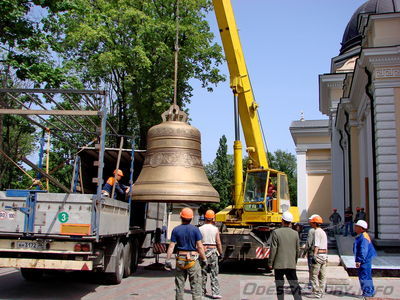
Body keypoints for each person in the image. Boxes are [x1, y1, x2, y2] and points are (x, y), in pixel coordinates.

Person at [165, 208, 207, 300]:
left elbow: (171, 247)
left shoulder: (176, 230)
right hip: (192, 260)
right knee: (196, 288)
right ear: (191, 218)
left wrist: (167, 260)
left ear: (181, 217)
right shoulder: (195, 230)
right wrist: (204, 259)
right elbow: (200, 246)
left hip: (180, 260)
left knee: (179, 288)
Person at [268, 211, 302, 300]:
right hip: (291, 264)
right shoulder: (295, 234)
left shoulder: (276, 232)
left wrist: (270, 262)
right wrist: (294, 261)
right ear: (290, 222)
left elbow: (273, 249)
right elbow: (298, 250)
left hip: (279, 264)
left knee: (279, 286)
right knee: (294, 285)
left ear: (282, 221)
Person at [199, 210, 223, 299]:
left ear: (205, 217)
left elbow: (198, 242)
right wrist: (221, 253)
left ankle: (202, 291)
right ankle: (215, 292)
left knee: (203, 272)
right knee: (214, 273)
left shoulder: (200, 229)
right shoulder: (215, 229)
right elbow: (218, 242)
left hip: (203, 252)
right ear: (213, 218)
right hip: (213, 251)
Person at [353, 220, 376, 297]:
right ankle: (370, 291)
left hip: (364, 260)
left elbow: (363, 250)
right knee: (367, 276)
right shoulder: (363, 235)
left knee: (364, 276)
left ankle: (367, 293)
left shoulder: (363, 237)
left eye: (356, 227)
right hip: (366, 259)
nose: (355, 228)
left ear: (361, 228)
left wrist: (359, 260)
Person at [309, 215, 328, 299]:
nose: (311, 224)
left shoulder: (317, 231)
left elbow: (316, 245)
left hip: (319, 255)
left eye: (312, 223)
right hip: (324, 256)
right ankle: (321, 291)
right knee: (322, 275)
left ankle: (317, 291)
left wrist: (314, 255)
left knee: (314, 275)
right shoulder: (323, 232)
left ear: (315, 223)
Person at [302, 214, 318, 289]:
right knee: (319, 270)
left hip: (312, 253)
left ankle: (311, 284)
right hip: (321, 253)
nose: (310, 222)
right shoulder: (321, 231)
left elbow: (308, 243)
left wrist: (304, 252)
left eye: (311, 221)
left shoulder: (311, 231)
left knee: (311, 269)